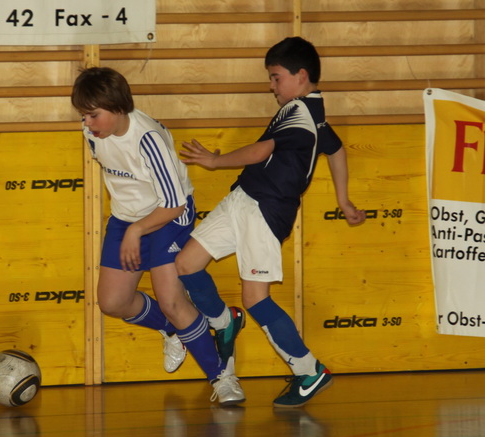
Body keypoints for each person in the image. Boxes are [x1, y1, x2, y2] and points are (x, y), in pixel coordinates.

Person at [175, 37, 366, 408]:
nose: (272, 86)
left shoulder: (300, 112)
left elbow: (263, 149)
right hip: (243, 198)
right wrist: (343, 200)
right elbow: (336, 150)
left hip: (265, 211)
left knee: (255, 298)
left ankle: (309, 371)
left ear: (301, 76)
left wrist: (215, 161)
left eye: (276, 78)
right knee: (186, 264)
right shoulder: (312, 113)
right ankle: (224, 321)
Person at [71, 66, 245, 405]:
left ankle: (223, 376)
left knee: (172, 300)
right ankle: (173, 328)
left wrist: (136, 231)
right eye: (84, 116)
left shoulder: (147, 139)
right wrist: (131, 226)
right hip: (128, 218)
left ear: (118, 108)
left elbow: (174, 204)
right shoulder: (91, 132)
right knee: (112, 302)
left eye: (93, 115)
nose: (87, 123)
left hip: (169, 217)